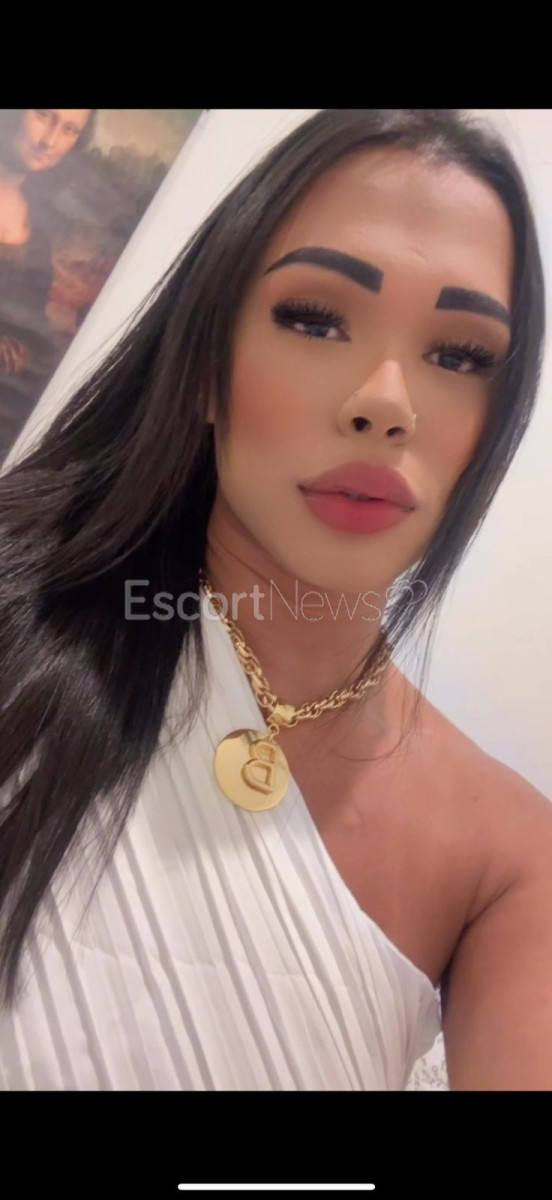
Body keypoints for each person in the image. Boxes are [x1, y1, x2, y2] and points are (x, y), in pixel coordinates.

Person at [0, 108, 550, 1092]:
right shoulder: (18, 616)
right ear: (206, 368)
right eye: (315, 318)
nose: (386, 402)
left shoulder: (509, 860)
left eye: (461, 355)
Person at [0, 109, 95, 462]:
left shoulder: (37, 235)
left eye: (69, 130)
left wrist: (22, 349)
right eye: (43, 115)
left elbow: (31, 325)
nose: (49, 141)